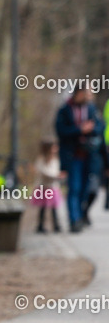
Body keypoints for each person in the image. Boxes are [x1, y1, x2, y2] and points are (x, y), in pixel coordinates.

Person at [55, 87, 103, 232]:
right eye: (86, 93)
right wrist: (79, 130)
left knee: (86, 189)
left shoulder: (92, 109)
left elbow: (101, 127)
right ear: (78, 93)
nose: (89, 96)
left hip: (90, 156)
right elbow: (60, 131)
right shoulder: (64, 110)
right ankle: (73, 220)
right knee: (74, 188)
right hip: (73, 156)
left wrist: (91, 129)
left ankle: (81, 216)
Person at [30, 140, 63, 233]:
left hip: (53, 187)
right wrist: (56, 175)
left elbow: (56, 170)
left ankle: (56, 225)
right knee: (43, 207)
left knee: (54, 208)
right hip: (43, 187)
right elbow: (43, 172)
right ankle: (40, 225)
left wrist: (58, 175)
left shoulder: (55, 159)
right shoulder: (41, 159)